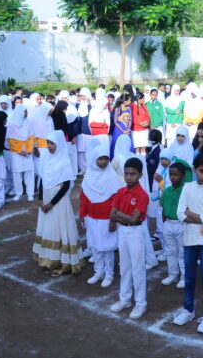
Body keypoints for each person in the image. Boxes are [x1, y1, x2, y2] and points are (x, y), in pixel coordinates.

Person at [173, 152, 203, 334]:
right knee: (189, 277)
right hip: (189, 239)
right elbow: (179, 214)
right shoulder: (187, 188)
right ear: (194, 169)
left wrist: (190, 214)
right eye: (202, 171)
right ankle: (188, 310)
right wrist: (201, 219)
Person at [32, 130, 83, 276]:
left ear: (59, 144)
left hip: (58, 202)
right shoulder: (46, 159)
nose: (49, 146)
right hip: (46, 200)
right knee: (48, 228)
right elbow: (42, 180)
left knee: (60, 229)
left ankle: (62, 262)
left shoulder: (64, 161)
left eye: (52, 143)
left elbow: (66, 185)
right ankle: (49, 259)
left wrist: (51, 204)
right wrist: (41, 200)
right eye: (48, 143)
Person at [109, 157, 150, 319]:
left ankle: (141, 303)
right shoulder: (121, 191)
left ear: (140, 175)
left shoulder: (142, 195)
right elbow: (112, 214)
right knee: (124, 266)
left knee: (137, 268)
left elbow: (134, 220)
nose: (128, 177)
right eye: (126, 174)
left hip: (135, 232)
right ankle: (125, 299)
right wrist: (122, 216)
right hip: (123, 232)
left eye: (132, 174)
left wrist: (118, 214)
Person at [80, 143, 120, 288]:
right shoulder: (88, 176)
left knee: (107, 247)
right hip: (91, 217)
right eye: (100, 159)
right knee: (95, 246)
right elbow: (84, 197)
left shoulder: (112, 176)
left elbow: (116, 201)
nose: (103, 162)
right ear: (94, 159)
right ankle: (99, 272)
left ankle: (109, 273)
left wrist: (113, 219)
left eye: (105, 159)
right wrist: (82, 214)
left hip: (106, 218)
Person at [160, 162, 187, 288]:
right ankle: (173, 274)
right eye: (171, 174)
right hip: (169, 223)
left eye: (176, 175)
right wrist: (165, 223)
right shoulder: (166, 191)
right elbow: (163, 208)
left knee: (182, 251)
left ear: (183, 176)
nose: (173, 177)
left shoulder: (186, 191)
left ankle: (184, 276)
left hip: (182, 224)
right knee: (170, 250)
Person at [6, 105, 35, 201]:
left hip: (27, 150)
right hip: (16, 152)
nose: (26, 113)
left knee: (29, 171)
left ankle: (30, 193)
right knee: (16, 173)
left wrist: (29, 150)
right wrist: (19, 151)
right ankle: (18, 193)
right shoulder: (11, 124)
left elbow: (31, 137)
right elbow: (10, 139)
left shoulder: (28, 122)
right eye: (25, 111)